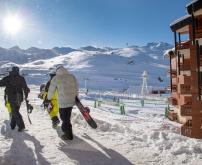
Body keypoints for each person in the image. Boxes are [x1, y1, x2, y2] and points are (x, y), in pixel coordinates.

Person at [46, 65, 78, 140]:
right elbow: (76, 87)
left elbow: (51, 90)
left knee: (64, 118)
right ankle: (68, 132)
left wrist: (49, 98)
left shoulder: (56, 78)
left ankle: (68, 135)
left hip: (62, 102)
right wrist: (76, 97)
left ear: (57, 71)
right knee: (67, 118)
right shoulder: (72, 76)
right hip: (71, 100)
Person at [0, 66, 30, 132]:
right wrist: (26, 97)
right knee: (15, 111)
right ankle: (12, 125)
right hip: (19, 98)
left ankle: (21, 126)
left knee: (15, 111)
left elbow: (0, 83)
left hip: (12, 98)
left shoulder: (7, 78)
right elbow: (26, 89)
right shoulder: (21, 78)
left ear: (11, 71)